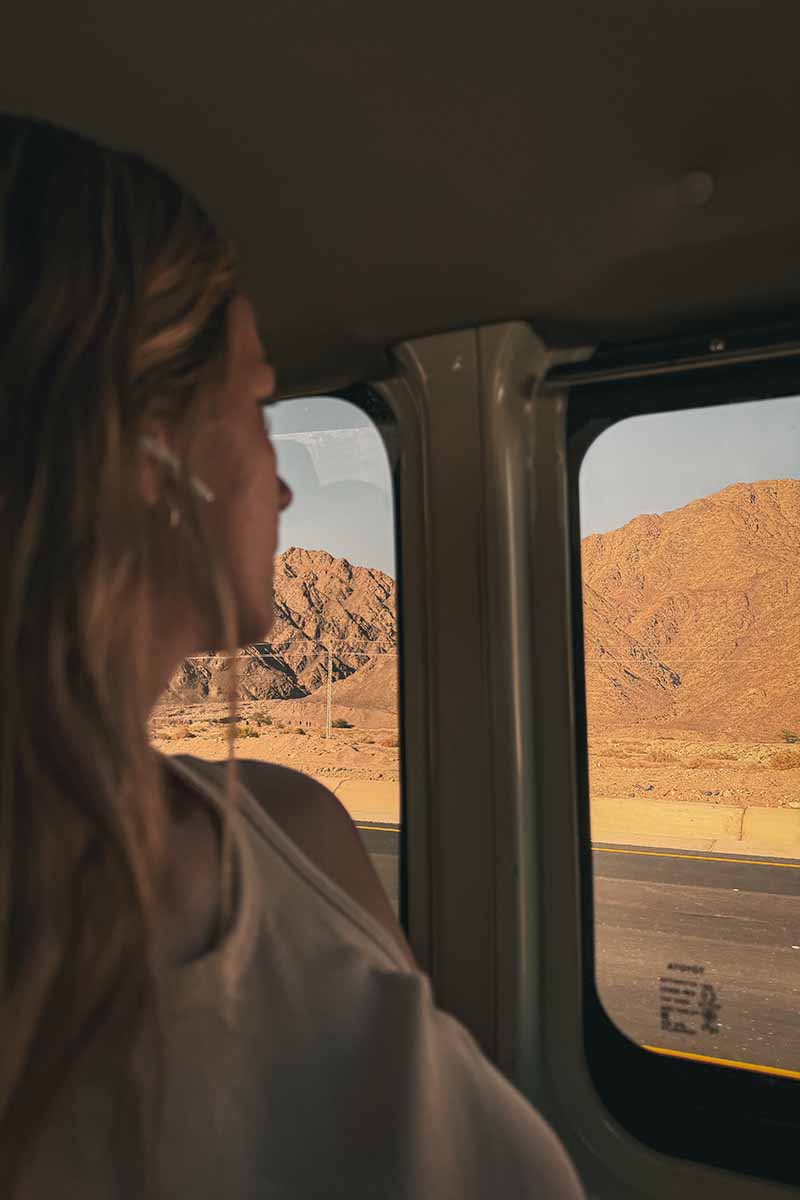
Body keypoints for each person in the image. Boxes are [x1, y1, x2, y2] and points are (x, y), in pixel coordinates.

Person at [0, 113, 585, 1198]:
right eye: (260, 400)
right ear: (136, 445)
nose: (281, 484)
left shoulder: (296, 829)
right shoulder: (282, 843)